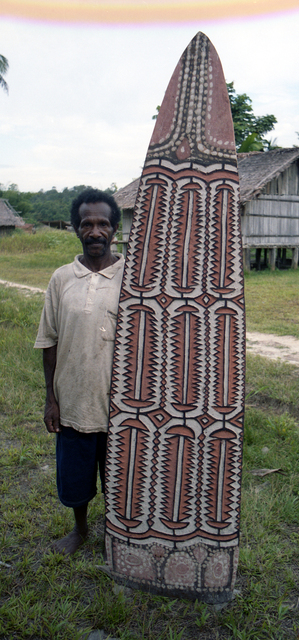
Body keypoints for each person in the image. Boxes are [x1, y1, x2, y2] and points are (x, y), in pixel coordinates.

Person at [34, 188, 124, 555]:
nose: (95, 231)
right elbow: (50, 339)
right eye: (87, 224)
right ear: (76, 230)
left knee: (121, 477)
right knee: (75, 475)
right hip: (73, 399)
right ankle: (81, 530)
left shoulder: (133, 277)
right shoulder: (61, 279)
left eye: (103, 223)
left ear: (115, 230)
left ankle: (120, 536)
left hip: (121, 404)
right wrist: (51, 398)